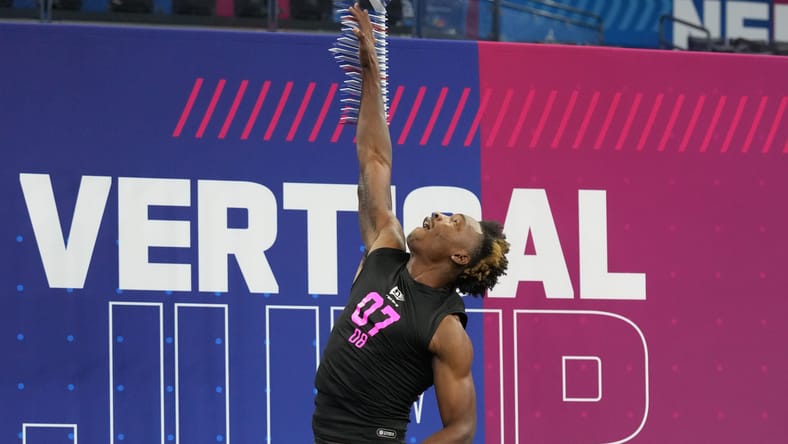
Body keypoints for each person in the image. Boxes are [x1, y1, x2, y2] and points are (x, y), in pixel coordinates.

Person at [312, 4, 510, 443]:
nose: (438, 215)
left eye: (453, 221)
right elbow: (375, 160)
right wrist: (369, 74)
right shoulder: (386, 247)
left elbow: (461, 428)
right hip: (325, 429)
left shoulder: (446, 330)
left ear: (460, 255)